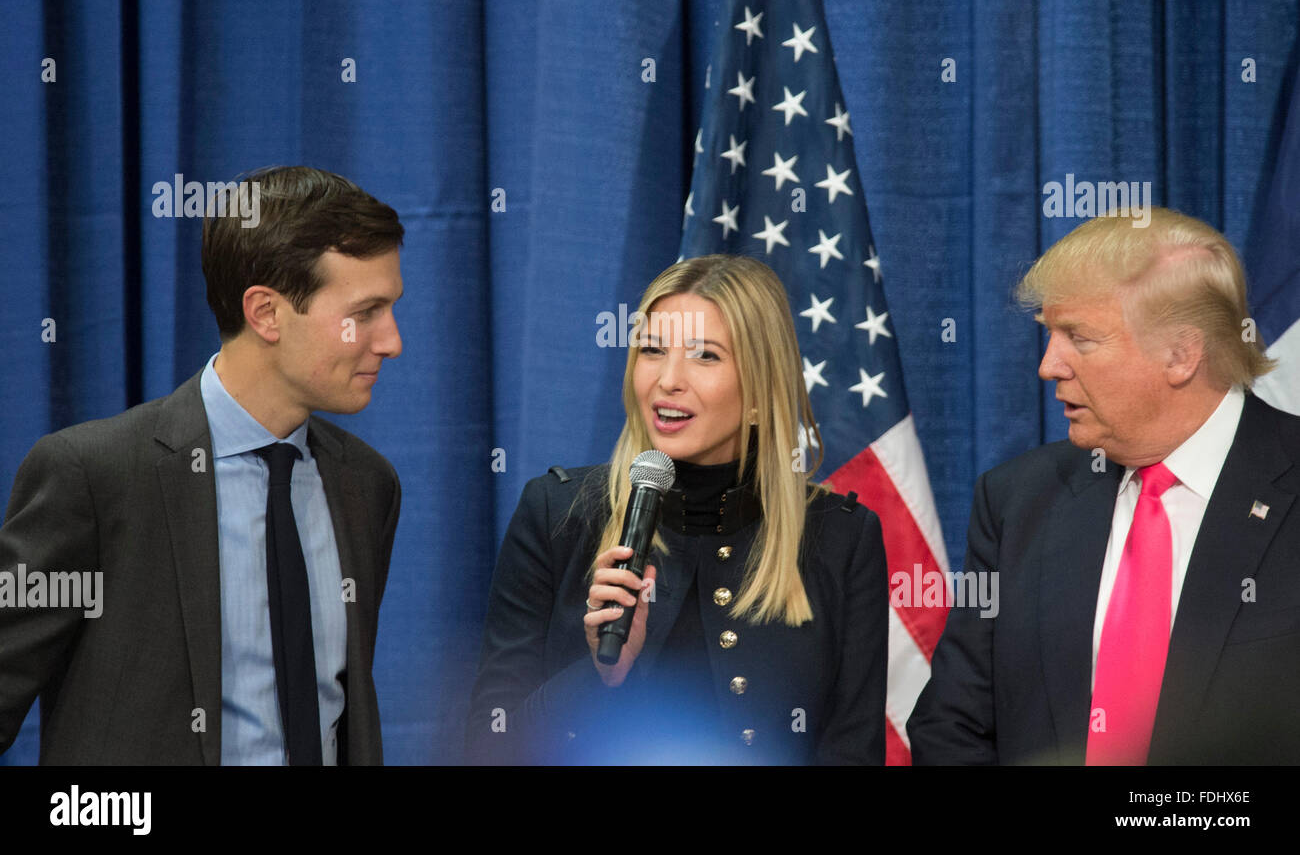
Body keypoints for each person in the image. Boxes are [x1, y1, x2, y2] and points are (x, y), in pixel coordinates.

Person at [0, 165, 404, 765]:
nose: (391, 340)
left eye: (390, 308)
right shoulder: (94, 475)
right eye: (364, 312)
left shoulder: (367, 484)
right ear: (265, 312)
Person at [908, 206, 1300, 765]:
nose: (1049, 366)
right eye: (1050, 335)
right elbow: (953, 727)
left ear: (1180, 355)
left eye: (1079, 338)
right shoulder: (1017, 500)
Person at [467, 254, 887, 765]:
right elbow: (491, 745)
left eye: (704, 356)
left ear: (759, 392)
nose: (668, 380)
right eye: (652, 350)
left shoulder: (842, 537)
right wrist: (600, 677)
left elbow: (853, 750)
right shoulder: (557, 513)